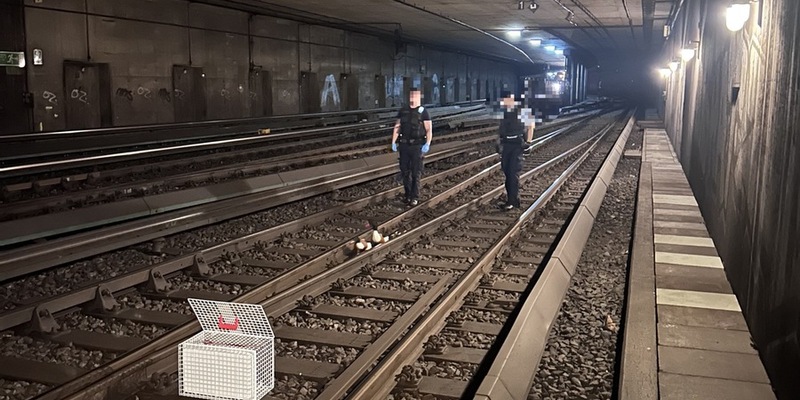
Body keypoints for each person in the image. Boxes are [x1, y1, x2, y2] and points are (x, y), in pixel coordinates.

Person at [391, 88, 432, 206]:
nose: (412, 97)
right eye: (411, 95)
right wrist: (393, 141)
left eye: (415, 95)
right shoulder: (403, 111)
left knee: (415, 172)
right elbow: (397, 127)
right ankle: (407, 195)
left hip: (417, 145)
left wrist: (427, 143)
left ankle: (415, 196)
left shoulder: (424, 112)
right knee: (404, 171)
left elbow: (428, 129)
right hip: (404, 145)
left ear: (419, 97)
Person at [496, 90, 535, 211]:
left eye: (504, 101)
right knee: (507, 172)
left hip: (517, 146)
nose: (503, 103)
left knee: (513, 173)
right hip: (507, 145)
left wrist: (528, 142)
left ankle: (512, 201)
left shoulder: (522, 110)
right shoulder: (505, 113)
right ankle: (513, 199)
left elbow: (530, 126)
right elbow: (501, 129)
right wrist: (498, 142)